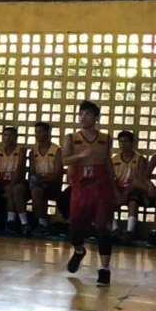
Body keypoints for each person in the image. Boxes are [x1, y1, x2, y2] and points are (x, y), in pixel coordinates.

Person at [61, 101, 115, 287]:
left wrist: (114, 184)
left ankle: (105, 270)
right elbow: (64, 160)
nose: (83, 117)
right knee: (75, 229)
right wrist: (81, 156)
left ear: (96, 117)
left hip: (101, 186)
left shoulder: (106, 138)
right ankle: (79, 251)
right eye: (80, 114)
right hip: (81, 187)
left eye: (87, 114)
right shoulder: (71, 138)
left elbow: (107, 161)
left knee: (103, 228)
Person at [0, 127, 28, 235]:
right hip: (2, 180)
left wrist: (11, 184)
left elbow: (20, 168)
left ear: (16, 137)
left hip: (17, 181)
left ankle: (11, 221)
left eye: (10, 135)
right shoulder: (0, 151)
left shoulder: (21, 150)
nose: (7, 138)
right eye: (5, 135)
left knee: (13, 190)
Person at [111, 131, 150, 245]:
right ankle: (115, 229)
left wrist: (126, 193)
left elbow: (140, 179)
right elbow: (111, 179)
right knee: (107, 200)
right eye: (121, 141)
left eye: (126, 141)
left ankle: (130, 232)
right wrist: (117, 193)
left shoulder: (139, 159)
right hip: (119, 189)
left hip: (134, 189)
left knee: (133, 202)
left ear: (132, 143)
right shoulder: (114, 159)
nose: (123, 144)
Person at [29, 122, 63, 236]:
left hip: (52, 184)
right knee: (20, 189)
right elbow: (32, 171)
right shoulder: (33, 151)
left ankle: (42, 224)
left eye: (41, 131)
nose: (38, 134)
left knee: (36, 191)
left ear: (48, 133)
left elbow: (57, 174)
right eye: (36, 132)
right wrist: (35, 180)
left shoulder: (56, 150)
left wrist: (40, 180)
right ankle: (22, 222)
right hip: (39, 182)